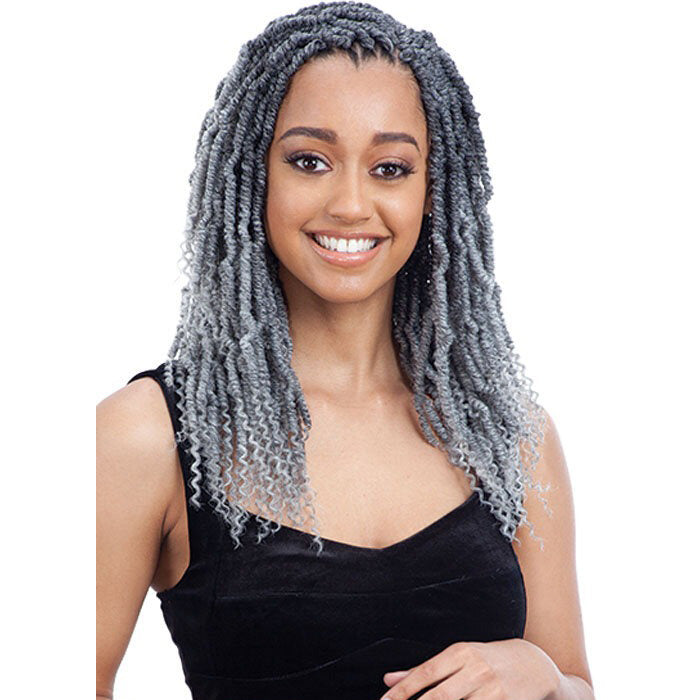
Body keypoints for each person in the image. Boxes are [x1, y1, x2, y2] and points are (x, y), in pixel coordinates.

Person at [96, 2, 594, 699]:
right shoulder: (147, 435)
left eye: (390, 168)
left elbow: (576, 683)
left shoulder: (511, 438)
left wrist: (548, 679)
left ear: (434, 191)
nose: (352, 204)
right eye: (310, 161)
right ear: (253, 174)